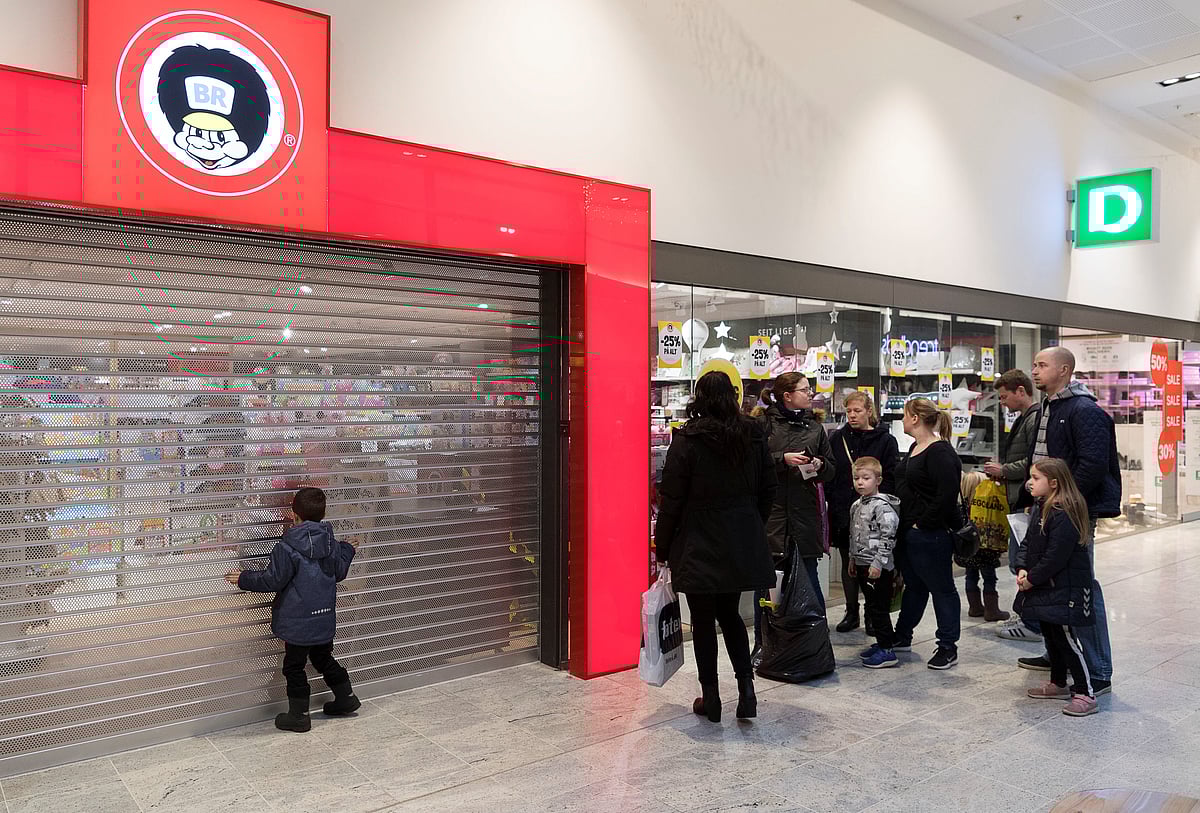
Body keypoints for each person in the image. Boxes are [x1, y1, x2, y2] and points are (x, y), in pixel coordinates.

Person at [655, 371, 778, 723]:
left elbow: (672, 499)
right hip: (740, 538)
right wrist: (750, 522)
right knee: (732, 616)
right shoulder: (753, 435)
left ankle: (711, 698)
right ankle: (746, 690)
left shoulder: (689, 439)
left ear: (699, 398)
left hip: (698, 541)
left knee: (704, 622)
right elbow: (769, 489)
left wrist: (662, 547)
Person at [1022, 346, 1119, 696]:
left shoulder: (1084, 410)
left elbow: (1093, 464)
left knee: (1079, 587)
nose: (1034, 371)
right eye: (1033, 364)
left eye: (1042, 365)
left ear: (1064, 370)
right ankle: (1060, 656)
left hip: (1071, 513)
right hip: (1048, 509)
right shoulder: (1051, 406)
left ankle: (1097, 670)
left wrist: (1063, 502)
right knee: (1052, 584)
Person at [225, 487, 359, 732]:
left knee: (294, 667)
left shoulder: (286, 548)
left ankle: (299, 715)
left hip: (298, 623)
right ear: (323, 513)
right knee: (323, 658)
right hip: (323, 619)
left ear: (293, 514)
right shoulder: (332, 544)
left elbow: (272, 580)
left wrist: (243, 578)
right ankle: (346, 697)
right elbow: (339, 572)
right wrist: (348, 550)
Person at [1016, 459, 1098, 717]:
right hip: (1046, 585)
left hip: (1064, 588)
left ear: (1054, 483)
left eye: (1036, 478)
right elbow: (1028, 542)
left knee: (1066, 639)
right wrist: (1022, 567)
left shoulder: (1064, 512)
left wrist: (1033, 578)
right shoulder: (1042, 507)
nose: (1030, 482)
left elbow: (1056, 556)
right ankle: (1058, 683)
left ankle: (1086, 692)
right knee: (1051, 635)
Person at [892, 398, 963, 670]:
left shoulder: (939, 452)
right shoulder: (915, 447)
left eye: (905, 414)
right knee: (915, 587)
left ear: (916, 418)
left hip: (930, 534)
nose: (902, 419)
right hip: (912, 532)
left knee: (942, 589)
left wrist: (923, 523)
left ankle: (947, 646)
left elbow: (947, 494)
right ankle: (902, 635)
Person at [762, 372, 837, 615]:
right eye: (804, 390)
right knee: (768, 586)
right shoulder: (764, 425)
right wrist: (781, 460)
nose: (810, 394)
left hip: (805, 516)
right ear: (787, 396)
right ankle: (764, 643)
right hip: (773, 517)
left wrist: (819, 465)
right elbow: (752, 465)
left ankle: (814, 641)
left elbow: (832, 469)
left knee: (809, 580)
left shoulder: (816, 428)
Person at [828, 391, 899, 635]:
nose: (852, 415)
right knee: (849, 560)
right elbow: (833, 473)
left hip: (876, 512)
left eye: (857, 410)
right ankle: (851, 610)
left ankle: (872, 612)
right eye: (848, 411)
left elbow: (890, 476)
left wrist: (880, 502)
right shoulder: (838, 439)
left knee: (873, 561)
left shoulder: (885, 441)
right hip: (844, 507)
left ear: (869, 411)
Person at [984, 369, 1043, 642]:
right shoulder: (1028, 418)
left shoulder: (1034, 419)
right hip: (1021, 498)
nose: (1002, 402)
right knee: (1020, 560)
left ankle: (1031, 621)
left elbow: (1034, 462)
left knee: (1022, 562)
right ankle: (1028, 616)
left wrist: (1004, 470)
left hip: (1025, 500)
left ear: (1021, 391)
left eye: (1005, 396)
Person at [847, 456, 901, 669]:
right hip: (861, 563)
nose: (860, 482)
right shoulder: (856, 505)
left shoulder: (883, 507)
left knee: (879, 608)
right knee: (871, 605)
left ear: (878, 480)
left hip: (878, 566)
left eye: (866, 478)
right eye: (856, 478)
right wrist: (852, 558)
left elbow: (888, 537)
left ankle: (888, 649)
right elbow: (854, 534)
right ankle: (881, 643)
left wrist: (879, 563)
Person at [957, 471, 1009, 623]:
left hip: (968, 551)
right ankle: (992, 610)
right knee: (989, 578)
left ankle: (974, 607)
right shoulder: (988, 508)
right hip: (986, 551)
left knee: (970, 576)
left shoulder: (963, 507)